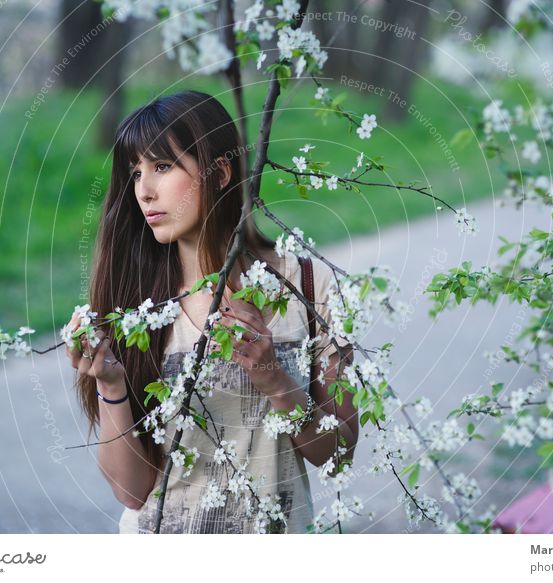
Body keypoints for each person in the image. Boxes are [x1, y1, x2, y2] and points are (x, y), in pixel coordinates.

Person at [64, 90, 357, 534]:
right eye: (135, 172)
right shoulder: (134, 308)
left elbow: (337, 454)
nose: (144, 190)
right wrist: (110, 384)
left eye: (162, 167)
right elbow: (132, 492)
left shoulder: (312, 288)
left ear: (220, 172)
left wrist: (275, 379)